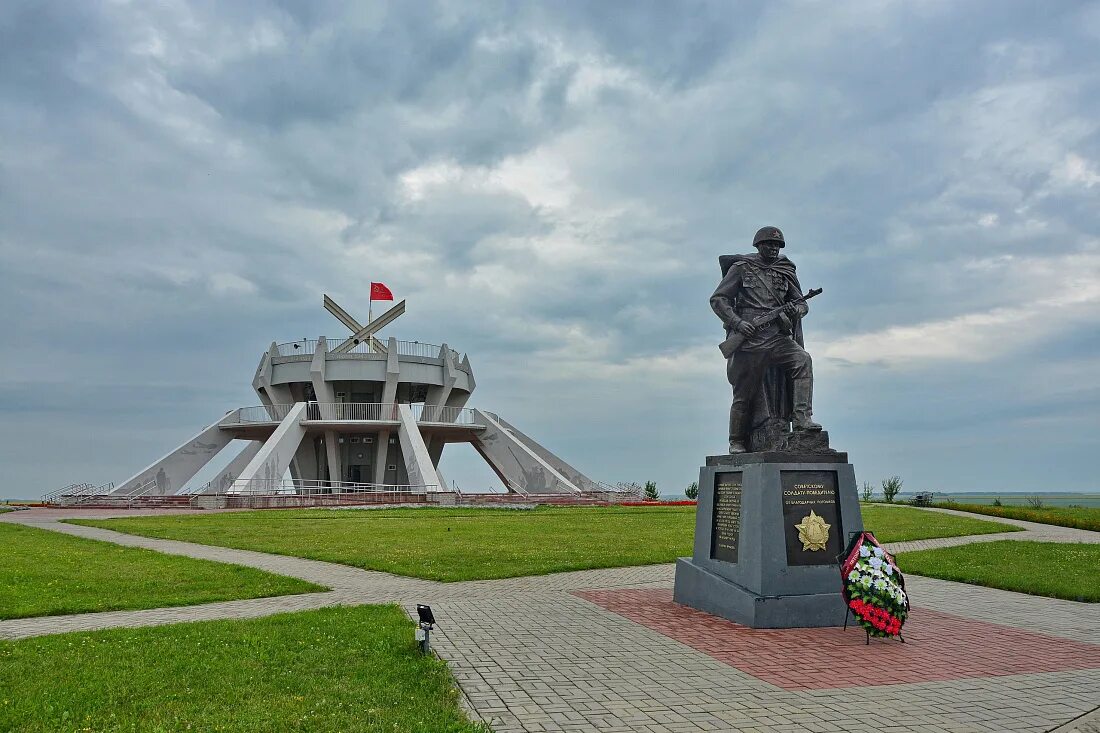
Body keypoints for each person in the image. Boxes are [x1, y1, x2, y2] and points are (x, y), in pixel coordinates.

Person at [710, 226, 821, 454]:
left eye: (777, 245)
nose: (773, 248)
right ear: (758, 245)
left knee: (803, 361)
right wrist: (738, 323)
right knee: (744, 393)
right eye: (769, 244)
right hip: (749, 339)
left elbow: (801, 303)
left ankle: (802, 419)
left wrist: (796, 310)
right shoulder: (742, 268)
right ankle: (736, 440)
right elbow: (719, 299)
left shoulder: (785, 270)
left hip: (777, 338)